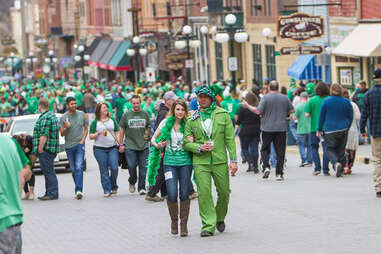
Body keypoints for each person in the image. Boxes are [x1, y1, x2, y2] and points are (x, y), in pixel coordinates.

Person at [184, 85, 237, 237]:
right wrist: (199, 147)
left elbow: (230, 140)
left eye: (205, 97)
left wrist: (233, 160)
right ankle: (208, 225)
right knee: (204, 192)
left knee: (224, 192)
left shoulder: (223, 114)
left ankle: (219, 217)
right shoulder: (192, 118)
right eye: (200, 97)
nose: (202, 99)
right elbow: (186, 142)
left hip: (219, 160)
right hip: (201, 162)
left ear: (211, 98)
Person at [148, 99, 192, 237]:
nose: (180, 112)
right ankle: (174, 221)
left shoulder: (189, 124)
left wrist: (192, 141)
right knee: (172, 193)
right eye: (177, 109)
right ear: (173, 110)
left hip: (185, 163)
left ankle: (183, 225)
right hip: (169, 164)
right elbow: (153, 138)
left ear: (185, 111)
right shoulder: (166, 123)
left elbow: (196, 140)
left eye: (182, 109)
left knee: (185, 193)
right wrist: (157, 145)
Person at [242, 80, 294, 181]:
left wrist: (247, 106)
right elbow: (292, 110)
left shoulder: (265, 98)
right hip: (281, 128)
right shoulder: (285, 98)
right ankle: (279, 173)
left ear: (269, 88)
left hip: (267, 128)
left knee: (265, 149)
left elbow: (258, 111)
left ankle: (266, 166)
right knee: (280, 151)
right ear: (278, 88)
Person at [0, 135, 32, 254]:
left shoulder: (11, 143)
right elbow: (26, 172)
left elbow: (27, 170)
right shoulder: (9, 143)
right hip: (12, 220)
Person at [318, 84, 353, 177]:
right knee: (341, 149)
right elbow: (351, 116)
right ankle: (340, 171)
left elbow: (322, 116)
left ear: (331, 90)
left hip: (330, 129)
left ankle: (336, 163)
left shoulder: (326, 101)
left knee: (330, 149)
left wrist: (319, 129)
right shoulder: (346, 101)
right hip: (343, 128)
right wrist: (347, 126)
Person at [119, 95, 151, 195]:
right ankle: (132, 181)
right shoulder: (127, 115)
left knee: (143, 168)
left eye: (137, 103)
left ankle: (141, 188)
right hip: (130, 145)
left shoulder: (145, 113)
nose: (136, 105)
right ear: (131, 103)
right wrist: (121, 144)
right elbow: (122, 129)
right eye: (134, 103)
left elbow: (149, 126)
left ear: (140, 103)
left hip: (143, 145)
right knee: (132, 166)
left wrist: (147, 134)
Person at [60, 97, 89, 199]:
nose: (74, 105)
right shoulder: (63, 117)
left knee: (79, 167)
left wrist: (82, 141)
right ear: (68, 105)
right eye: (72, 104)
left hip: (79, 145)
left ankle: (78, 190)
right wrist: (66, 127)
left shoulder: (81, 114)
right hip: (69, 146)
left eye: (75, 103)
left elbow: (86, 128)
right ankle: (77, 186)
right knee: (73, 169)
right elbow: (62, 134)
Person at [89, 102, 120, 197]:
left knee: (114, 168)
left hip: (112, 148)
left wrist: (119, 142)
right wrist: (98, 133)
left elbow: (117, 131)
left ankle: (113, 185)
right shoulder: (95, 122)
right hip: (99, 149)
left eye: (106, 107)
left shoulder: (112, 120)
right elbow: (90, 136)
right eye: (103, 108)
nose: (106, 109)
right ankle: (107, 190)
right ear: (99, 110)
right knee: (104, 170)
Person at [32, 98, 60, 200]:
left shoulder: (46, 117)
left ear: (40, 106)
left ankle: (52, 193)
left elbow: (44, 134)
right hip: (51, 148)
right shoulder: (52, 115)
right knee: (49, 171)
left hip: (46, 149)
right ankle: (49, 192)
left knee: (48, 172)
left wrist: (40, 148)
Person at [360, 69, 381, 198]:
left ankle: (379, 188)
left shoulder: (369, 94)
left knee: (378, 160)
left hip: (376, 131)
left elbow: (364, 115)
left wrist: (362, 130)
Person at [305, 82, 330, 176]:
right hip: (327, 127)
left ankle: (317, 168)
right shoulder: (328, 99)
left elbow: (307, 114)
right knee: (326, 148)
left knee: (314, 147)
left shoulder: (312, 100)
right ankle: (326, 169)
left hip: (314, 128)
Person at [235, 91, 261, 173]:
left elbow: (238, 122)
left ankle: (250, 163)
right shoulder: (257, 107)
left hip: (246, 130)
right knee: (255, 148)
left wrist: (234, 132)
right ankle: (255, 166)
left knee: (244, 148)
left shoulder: (243, 108)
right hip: (256, 130)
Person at [343, 89, 360, 174]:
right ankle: (349, 166)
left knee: (344, 148)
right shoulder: (353, 105)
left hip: (343, 129)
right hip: (352, 129)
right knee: (352, 149)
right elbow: (358, 117)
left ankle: (345, 166)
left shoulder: (341, 105)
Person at [293, 92, 312, 167]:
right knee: (309, 146)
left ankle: (304, 160)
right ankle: (310, 161)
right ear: (307, 98)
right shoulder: (310, 105)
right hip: (310, 128)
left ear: (301, 98)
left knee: (301, 145)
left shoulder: (298, 106)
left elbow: (295, 118)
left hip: (301, 129)